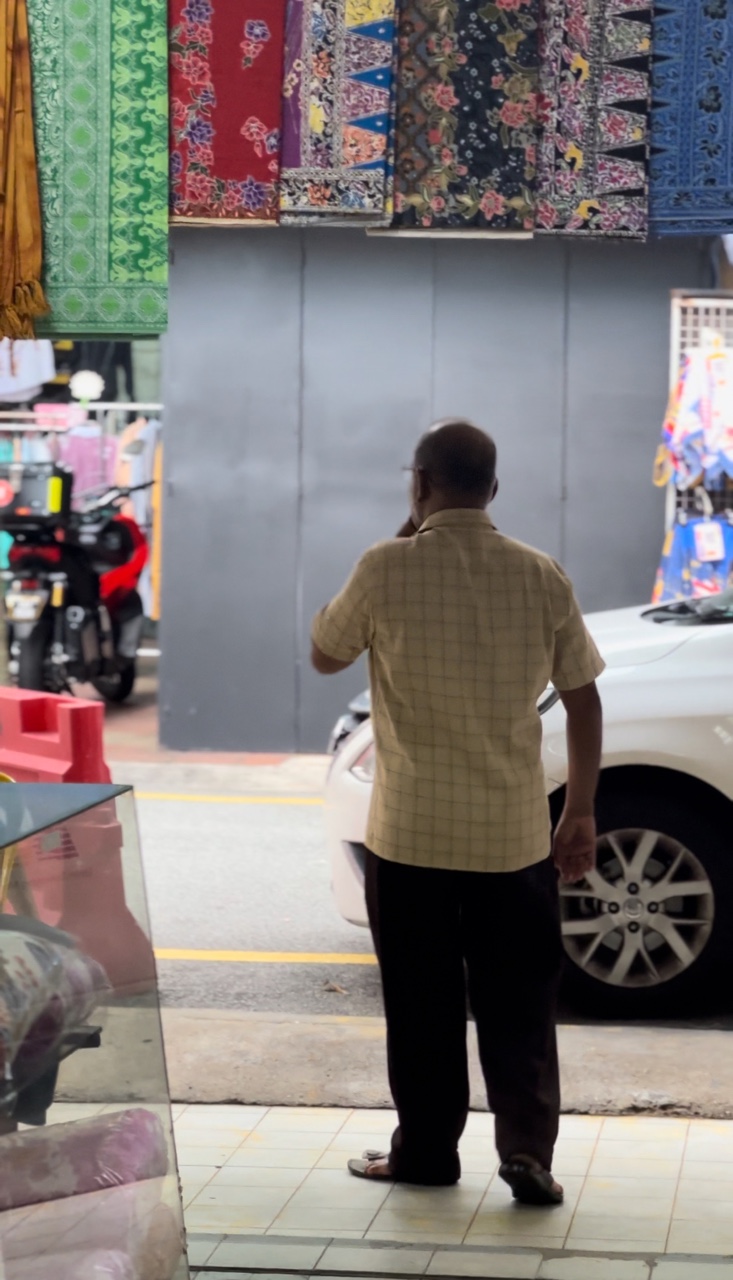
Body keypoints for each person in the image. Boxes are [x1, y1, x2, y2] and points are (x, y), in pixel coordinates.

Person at [311, 420, 604, 1206]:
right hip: (511, 840)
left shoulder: (383, 567)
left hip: (410, 841)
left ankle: (427, 1155)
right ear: (494, 489)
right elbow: (582, 699)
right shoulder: (540, 574)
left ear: (419, 483)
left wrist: (408, 531)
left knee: (421, 1006)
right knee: (519, 1005)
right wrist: (577, 813)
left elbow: (324, 652)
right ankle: (527, 1155)